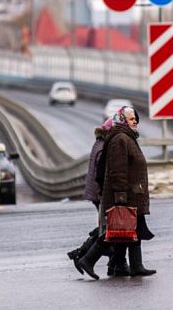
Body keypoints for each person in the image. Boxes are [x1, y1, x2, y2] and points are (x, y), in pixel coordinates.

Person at [78, 106, 156, 280]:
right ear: (122, 120)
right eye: (130, 119)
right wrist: (120, 196)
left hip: (132, 193)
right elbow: (117, 170)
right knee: (116, 232)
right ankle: (88, 260)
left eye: (135, 118)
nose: (134, 121)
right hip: (125, 195)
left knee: (129, 231)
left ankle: (130, 265)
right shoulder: (120, 139)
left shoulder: (126, 137)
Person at [67, 118, 130, 277]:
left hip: (98, 193)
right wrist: (106, 195)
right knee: (111, 228)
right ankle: (84, 256)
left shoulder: (100, 143)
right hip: (101, 194)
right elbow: (101, 175)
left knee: (111, 227)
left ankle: (112, 263)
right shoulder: (104, 146)